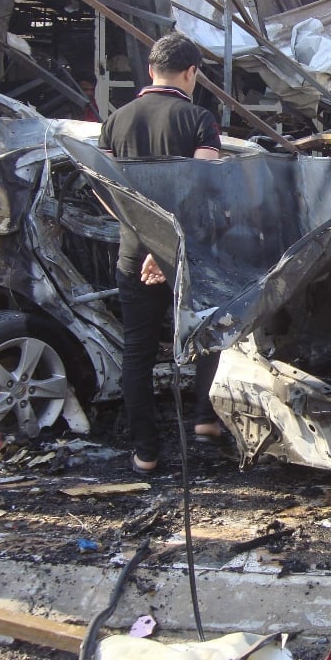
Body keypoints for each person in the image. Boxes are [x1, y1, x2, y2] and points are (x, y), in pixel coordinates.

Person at [98, 32, 225, 475]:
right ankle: (205, 421)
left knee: (137, 352)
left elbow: (106, 195)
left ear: (150, 70)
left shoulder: (114, 121)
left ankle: (146, 453)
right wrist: (168, 247)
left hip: (133, 256)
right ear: (191, 73)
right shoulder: (199, 119)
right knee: (209, 335)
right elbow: (200, 190)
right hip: (185, 257)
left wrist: (146, 239)